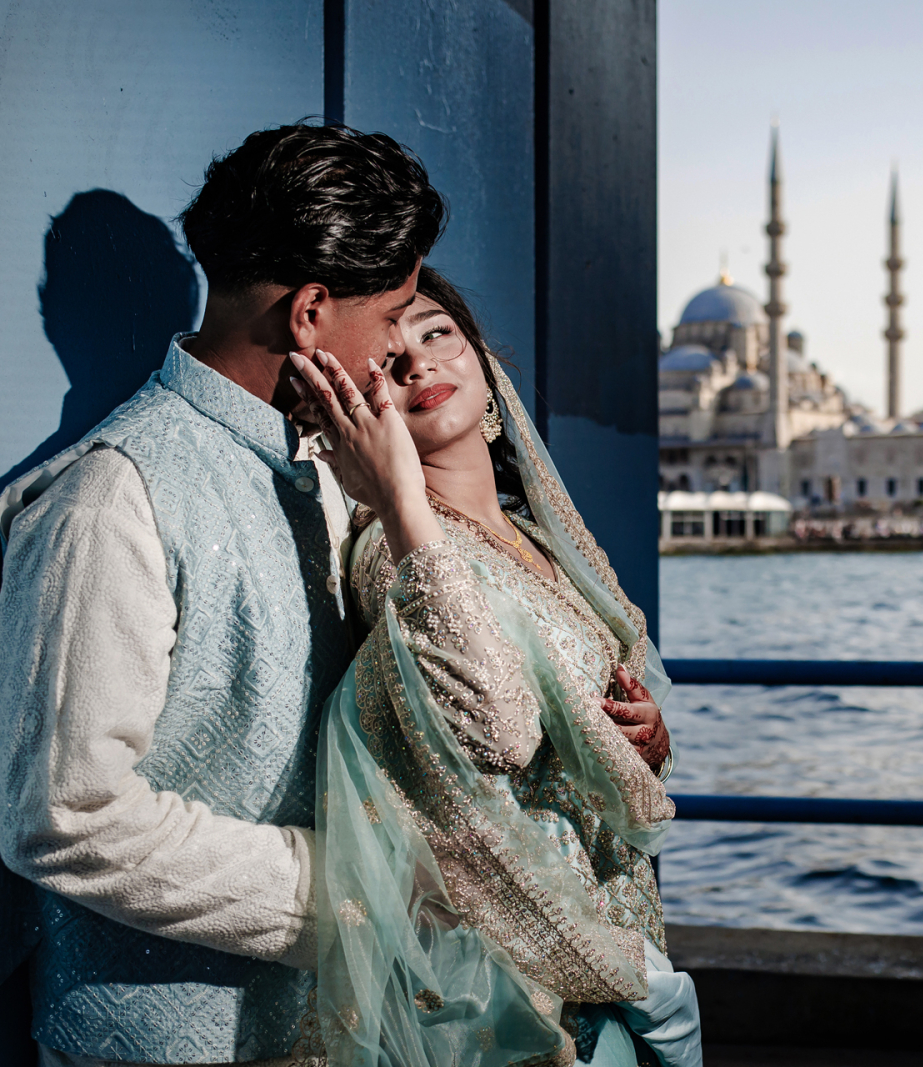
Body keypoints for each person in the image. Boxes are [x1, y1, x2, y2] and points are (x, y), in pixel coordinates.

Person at [0, 124, 446, 1065]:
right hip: (170, 1041)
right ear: (311, 311)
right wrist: (347, 892)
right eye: (391, 313)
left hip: (332, 1024)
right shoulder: (111, 495)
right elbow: (64, 814)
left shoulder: (323, 462)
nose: (399, 348)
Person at [289, 267, 700, 1067]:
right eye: (389, 357)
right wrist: (399, 494)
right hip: (527, 982)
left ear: (483, 356)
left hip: (622, 921)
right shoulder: (393, 552)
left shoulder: (539, 543)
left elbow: (583, 728)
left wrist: (646, 736)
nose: (418, 364)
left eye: (438, 332)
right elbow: (497, 732)